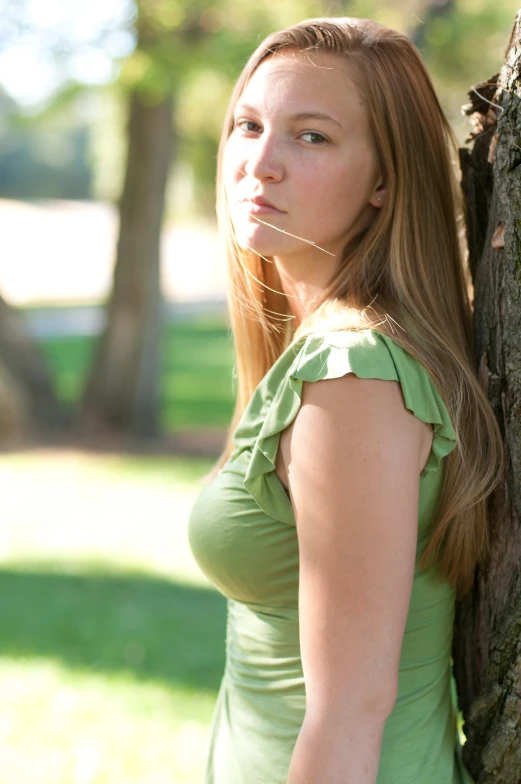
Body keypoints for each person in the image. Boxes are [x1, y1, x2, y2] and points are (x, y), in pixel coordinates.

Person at [187, 17, 504, 784]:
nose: (259, 163)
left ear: (384, 180)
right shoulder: (324, 357)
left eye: (312, 137)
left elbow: (352, 709)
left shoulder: (351, 377)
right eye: (249, 125)